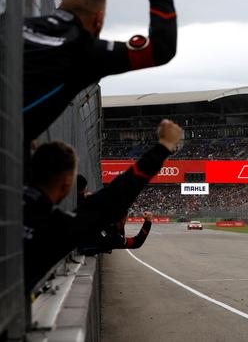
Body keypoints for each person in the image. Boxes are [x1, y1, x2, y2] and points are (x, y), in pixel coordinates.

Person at [23, 0, 177, 142]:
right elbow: (161, 49)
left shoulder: (12, 24)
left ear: (61, 6)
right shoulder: (85, 49)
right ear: (98, 19)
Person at [23, 119, 182, 293]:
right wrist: (164, 146)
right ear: (67, 183)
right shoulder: (54, 228)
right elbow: (114, 197)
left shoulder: (12, 199)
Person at [78, 211, 154, 256]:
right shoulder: (113, 237)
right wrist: (148, 222)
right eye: (125, 219)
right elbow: (136, 243)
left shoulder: (101, 221)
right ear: (121, 220)